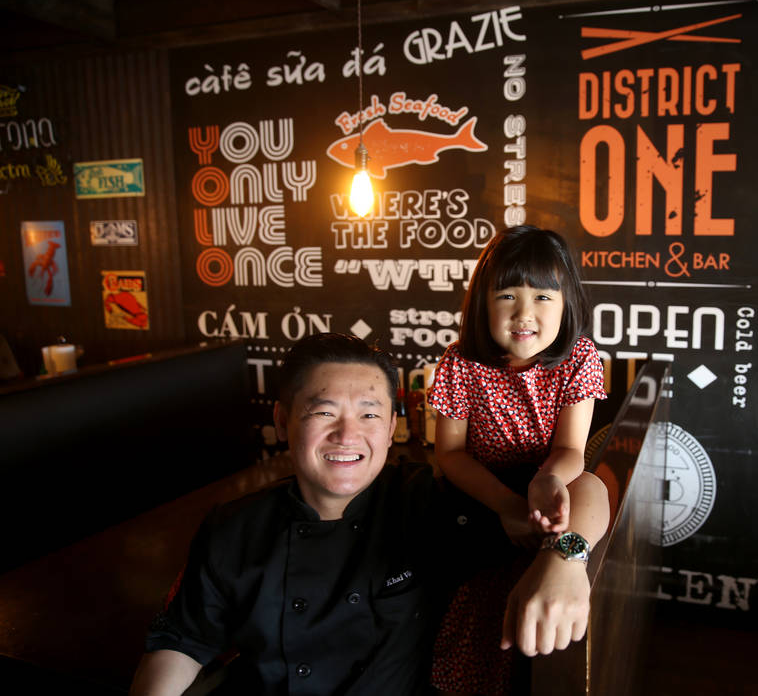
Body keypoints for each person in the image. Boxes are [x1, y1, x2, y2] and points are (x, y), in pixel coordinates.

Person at [129, 332, 609, 696]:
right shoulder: (234, 527)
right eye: (323, 413)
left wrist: (565, 559)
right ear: (281, 421)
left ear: (393, 424)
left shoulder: (425, 505)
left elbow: (590, 488)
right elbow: (182, 642)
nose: (347, 435)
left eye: (369, 414)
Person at [428, 225, 607, 695]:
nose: (524, 313)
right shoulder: (460, 361)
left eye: (544, 297)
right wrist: (506, 506)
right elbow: (448, 453)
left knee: (530, 628)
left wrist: (544, 482)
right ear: (482, 303)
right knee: (472, 626)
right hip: (477, 496)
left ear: (567, 302)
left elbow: (571, 451)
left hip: (547, 486)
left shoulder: (580, 358)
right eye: (506, 295)